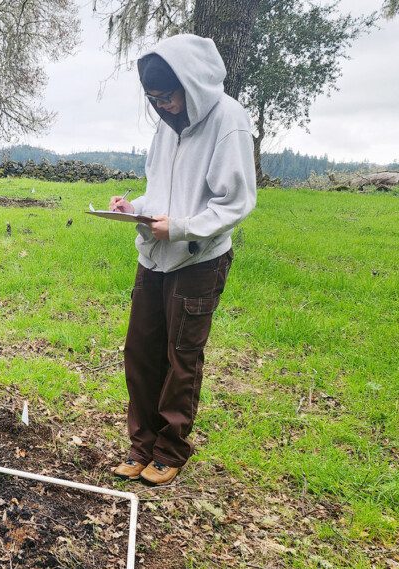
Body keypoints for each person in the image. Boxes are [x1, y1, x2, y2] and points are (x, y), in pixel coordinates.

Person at [109, 34, 256, 486]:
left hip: (198, 259)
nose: (163, 106)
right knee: (141, 352)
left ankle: (170, 451)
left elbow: (236, 202)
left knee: (181, 357)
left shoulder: (229, 121)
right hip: (153, 258)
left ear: (191, 85)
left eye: (168, 96)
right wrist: (134, 208)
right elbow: (161, 192)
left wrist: (180, 228)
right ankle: (141, 444)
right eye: (153, 99)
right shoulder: (164, 126)